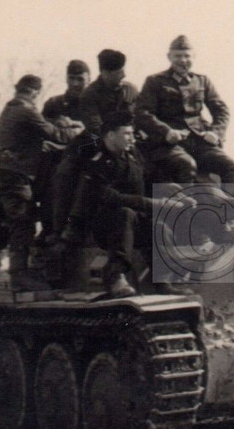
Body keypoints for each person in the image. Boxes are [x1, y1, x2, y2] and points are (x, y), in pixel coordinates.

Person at [51, 110, 193, 298]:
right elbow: (111, 198)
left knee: (157, 226)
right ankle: (116, 276)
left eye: (132, 133)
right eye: (126, 134)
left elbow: (147, 176)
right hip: (103, 225)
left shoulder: (132, 155)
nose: (131, 138)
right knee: (125, 214)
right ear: (110, 135)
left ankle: (163, 282)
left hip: (131, 221)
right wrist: (156, 203)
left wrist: (171, 189)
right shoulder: (98, 162)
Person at [0, 74, 79, 292]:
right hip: (13, 175)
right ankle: (19, 275)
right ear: (35, 92)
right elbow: (54, 134)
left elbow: (35, 136)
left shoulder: (10, 109)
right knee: (23, 223)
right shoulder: (26, 109)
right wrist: (78, 132)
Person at [136, 35, 234, 185]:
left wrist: (216, 133)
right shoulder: (155, 81)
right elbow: (142, 113)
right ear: (169, 57)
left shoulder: (202, 80)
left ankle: (233, 208)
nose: (183, 60)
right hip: (169, 144)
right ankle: (187, 208)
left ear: (194, 56)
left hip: (199, 141)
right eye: (178, 56)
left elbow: (221, 110)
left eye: (187, 56)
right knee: (186, 165)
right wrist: (166, 131)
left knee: (230, 166)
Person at [37, 60, 89, 237]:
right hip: (55, 161)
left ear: (89, 79)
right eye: (71, 78)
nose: (75, 84)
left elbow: (101, 136)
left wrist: (79, 129)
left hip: (86, 159)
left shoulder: (95, 104)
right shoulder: (54, 104)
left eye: (80, 79)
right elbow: (43, 133)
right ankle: (50, 230)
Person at [77, 49, 139, 137]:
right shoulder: (90, 95)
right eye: (119, 72)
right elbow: (95, 129)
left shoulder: (130, 90)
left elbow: (140, 118)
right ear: (105, 73)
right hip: (102, 143)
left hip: (130, 139)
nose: (124, 75)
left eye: (123, 70)